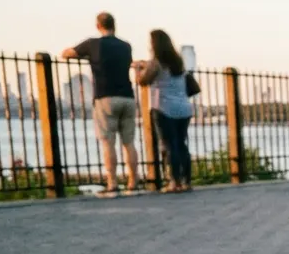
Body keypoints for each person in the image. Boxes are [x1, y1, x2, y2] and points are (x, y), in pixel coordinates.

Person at [61, 12, 138, 196]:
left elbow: (66, 54)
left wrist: (85, 57)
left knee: (108, 143)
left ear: (98, 26)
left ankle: (112, 183)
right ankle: (133, 182)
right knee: (129, 143)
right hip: (128, 97)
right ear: (114, 25)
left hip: (106, 97)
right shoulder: (126, 46)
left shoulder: (93, 44)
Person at [131, 29, 192, 193]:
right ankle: (186, 181)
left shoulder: (156, 62)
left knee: (168, 145)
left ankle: (174, 182)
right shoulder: (178, 61)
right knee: (181, 144)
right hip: (184, 108)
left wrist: (137, 68)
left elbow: (143, 80)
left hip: (164, 108)